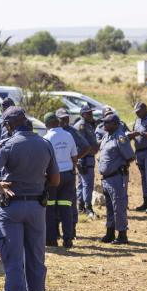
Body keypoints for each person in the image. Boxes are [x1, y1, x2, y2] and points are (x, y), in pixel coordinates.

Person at [0, 106, 60, 291]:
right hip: (36, 207)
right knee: (36, 259)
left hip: (12, 207)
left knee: (13, 262)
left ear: (8, 125)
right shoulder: (45, 144)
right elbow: (54, 180)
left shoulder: (8, 144)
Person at [42, 112, 80, 248]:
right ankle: (68, 239)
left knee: (50, 208)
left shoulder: (46, 138)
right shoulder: (68, 135)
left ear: (47, 125)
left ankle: (51, 240)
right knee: (66, 208)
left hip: (53, 177)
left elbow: (44, 160)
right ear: (57, 122)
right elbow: (74, 157)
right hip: (68, 175)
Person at [98, 113, 135, 245]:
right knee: (109, 207)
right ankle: (110, 232)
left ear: (115, 124)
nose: (104, 125)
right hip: (106, 178)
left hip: (116, 177)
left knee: (118, 206)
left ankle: (122, 235)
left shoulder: (120, 137)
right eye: (104, 123)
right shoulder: (106, 136)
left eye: (107, 123)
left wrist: (119, 166)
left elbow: (130, 156)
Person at [56, 108, 91, 237]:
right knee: (55, 202)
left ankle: (72, 229)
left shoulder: (72, 132)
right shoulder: (52, 132)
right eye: (62, 119)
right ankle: (56, 230)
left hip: (68, 172)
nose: (65, 121)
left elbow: (87, 146)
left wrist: (74, 160)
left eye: (66, 118)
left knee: (69, 201)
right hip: (55, 173)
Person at [74, 105, 99, 218]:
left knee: (81, 184)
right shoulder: (82, 126)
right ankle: (88, 208)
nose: (91, 115)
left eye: (91, 113)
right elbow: (81, 145)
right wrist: (80, 160)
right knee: (87, 184)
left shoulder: (87, 125)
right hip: (84, 158)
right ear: (83, 114)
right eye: (89, 113)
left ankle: (81, 206)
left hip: (85, 157)